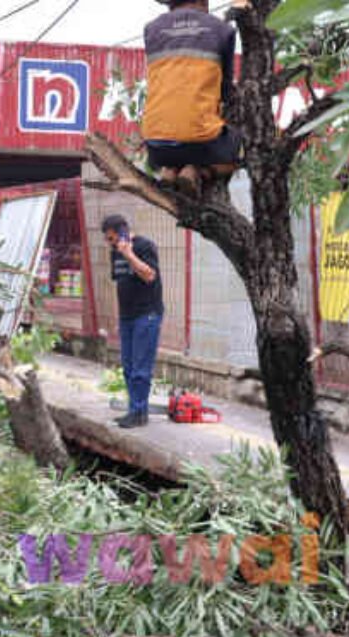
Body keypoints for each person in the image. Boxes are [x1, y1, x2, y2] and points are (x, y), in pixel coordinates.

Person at [142, 0, 240, 196]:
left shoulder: (150, 29)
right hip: (199, 141)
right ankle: (197, 171)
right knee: (241, 152)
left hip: (155, 143)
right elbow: (226, 91)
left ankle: (169, 171)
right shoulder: (223, 30)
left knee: (181, 140)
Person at [102, 215, 163, 429]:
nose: (110, 244)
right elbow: (121, 285)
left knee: (140, 368)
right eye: (108, 240)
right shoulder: (114, 253)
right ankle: (133, 411)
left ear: (122, 233)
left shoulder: (145, 246)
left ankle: (139, 414)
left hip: (147, 315)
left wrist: (128, 254)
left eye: (112, 239)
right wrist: (119, 317)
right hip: (127, 317)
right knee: (128, 367)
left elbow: (149, 275)